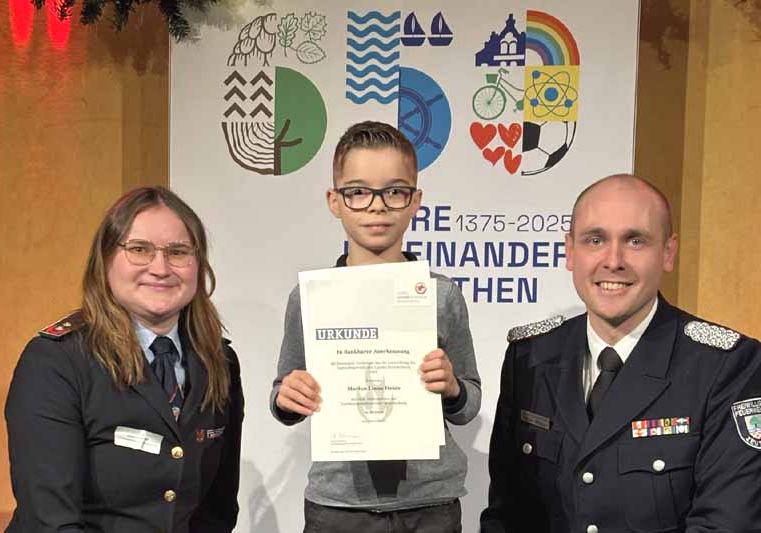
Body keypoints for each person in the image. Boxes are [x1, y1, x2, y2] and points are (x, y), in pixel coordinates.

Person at [480, 174, 761, 532]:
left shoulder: (726, 365)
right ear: (570, 252)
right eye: (595, 240)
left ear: (668, 253)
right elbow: (506, 517)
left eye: (635, 241)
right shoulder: (529, 357)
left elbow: (728, 522)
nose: (613, 260)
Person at [270, 121, 481, 532]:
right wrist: (287, 396)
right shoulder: (310, 298)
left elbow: (470, 403)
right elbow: (282, 396)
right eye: (359, 192)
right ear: (335, 200)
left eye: (394, 191)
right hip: (338, 506)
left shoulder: (441, 296)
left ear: (415, 199)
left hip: (430, 504)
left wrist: (453, 388)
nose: (377, 206)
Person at [5, 187, 244, 532]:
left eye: (178, 252)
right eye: (139, 250)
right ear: (105, 260)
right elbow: (50, 521)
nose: (160, 268)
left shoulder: (219, 362)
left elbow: (216, 513)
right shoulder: (55, 361)